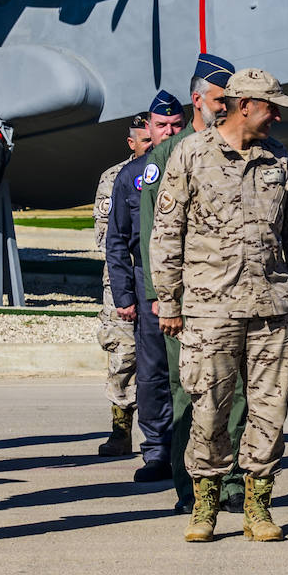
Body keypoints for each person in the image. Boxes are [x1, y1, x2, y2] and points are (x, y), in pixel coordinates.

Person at [152, 68, 288, 543]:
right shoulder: (191, 154)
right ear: (245, 105)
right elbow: (167, 233)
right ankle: (204, 506)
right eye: (272, 107)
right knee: (208, 410)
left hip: (271, 308)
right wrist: (169, 300)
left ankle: (258, 507)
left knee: (270, 410)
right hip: (209, 309)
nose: (278, 117)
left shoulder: (278, 159)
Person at [140, 53, 249, 513]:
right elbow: (154, 230)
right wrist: (160, 296)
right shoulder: (167, 155)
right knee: (190, 389)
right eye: (219, 100)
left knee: (237, 389)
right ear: (197, 99)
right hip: (187, 298)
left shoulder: (241, 148)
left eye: (230, 101)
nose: (225, 108)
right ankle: (191, 488)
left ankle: (233, 483)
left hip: (235, 296)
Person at [106, 91, 185, 482]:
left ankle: (196, 449)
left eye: (175, 125)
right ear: (148, 129)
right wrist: (124, 295)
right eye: (161, 126)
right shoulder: (131, 176)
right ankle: (157, 450)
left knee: (192, 369)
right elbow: (117, 240)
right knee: (153, 371)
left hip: (193, 281)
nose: (169, 132)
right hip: (147, 282)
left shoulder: (199, 164)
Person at [92, 113, 151, 456]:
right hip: (121, 279)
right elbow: (106, 235)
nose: (151, 147)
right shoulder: (114, 177)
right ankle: (120, 429)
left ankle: (164, 434)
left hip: (160, 278)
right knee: (123, 356)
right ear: (131, 144)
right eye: (144, 142)